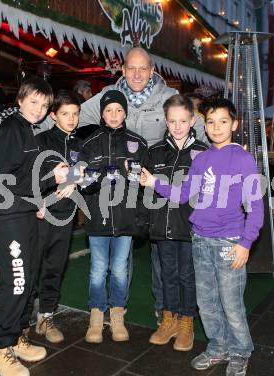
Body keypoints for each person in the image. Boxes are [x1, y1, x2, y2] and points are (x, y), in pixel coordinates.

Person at [79, 46, 210, 323]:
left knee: (161, 250)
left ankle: (165, 308)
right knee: (120, 249)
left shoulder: (168, 98)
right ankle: (118, 308)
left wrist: (221, 155)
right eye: (131, 68)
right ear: (123, 70)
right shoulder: (107, 97)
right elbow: (73, 116)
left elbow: (196, 127)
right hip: (122, 188)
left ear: (152, 70)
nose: (137, 74)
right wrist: (37, 127)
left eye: (143, 68)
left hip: (157, 186)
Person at [141, 98, 264, 376]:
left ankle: (240, 351)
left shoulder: (242, 158)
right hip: (200, 239)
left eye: (223, 121)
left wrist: (246, 243)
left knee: (231, 303)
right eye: (211, 121)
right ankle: (218, 348)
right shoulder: (202, 158)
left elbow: (255, 206)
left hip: (229, 242)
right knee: (206, 301)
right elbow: (184, 195)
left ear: (234, 124)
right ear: (204, 125)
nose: (216, 127)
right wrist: (153, 182)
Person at [0, 77, 68, 376]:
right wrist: (51, 179)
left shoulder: (27, 130)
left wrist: (45, 191)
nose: (39, 109)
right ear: (20, 100)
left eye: (45, 105)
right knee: (17, 282)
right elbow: (4, 181)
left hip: (23, 212)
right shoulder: (11, 129)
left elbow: (25, 175)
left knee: (29, 277)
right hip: (8, 216)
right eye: (34, 102)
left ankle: (16, 336)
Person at [80, 90, 148, 344]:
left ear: (125, 113)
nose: (114, 115)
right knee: (98, 271)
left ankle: (117, 316)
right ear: (102, 113)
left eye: (119, 110)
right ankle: (96, 318)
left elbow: (143, 184)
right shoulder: (88, 143)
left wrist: (131, 176)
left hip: (125, 219)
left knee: (119, 270)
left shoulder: (137, 143)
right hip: (97, 219)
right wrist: (97, 178)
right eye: (109, 110)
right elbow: (83, 184)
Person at [147, 94, 208, 352]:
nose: (178, 126)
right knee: (167, 275)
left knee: (187, 275)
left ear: (193, 120)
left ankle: (186, 322)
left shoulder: (204, 153)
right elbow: (146, 193)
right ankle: (169, 318)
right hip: (163, 226)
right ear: (166, 121)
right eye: (172, 121)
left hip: (191, 227)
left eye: (183, 120)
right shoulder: (155, 152)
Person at [33, 90, 83, 343]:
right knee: (33, 266)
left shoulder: (79, 144)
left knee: (55, 266)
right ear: (53, 115)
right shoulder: (40, 141)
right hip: (40, 214)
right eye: (65, 114)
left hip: (66, 215)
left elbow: (85, 172)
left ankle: (45, 316)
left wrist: (74, 181)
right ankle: (19, 320)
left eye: (75, 114)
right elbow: (30, 178)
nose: (71, 119)